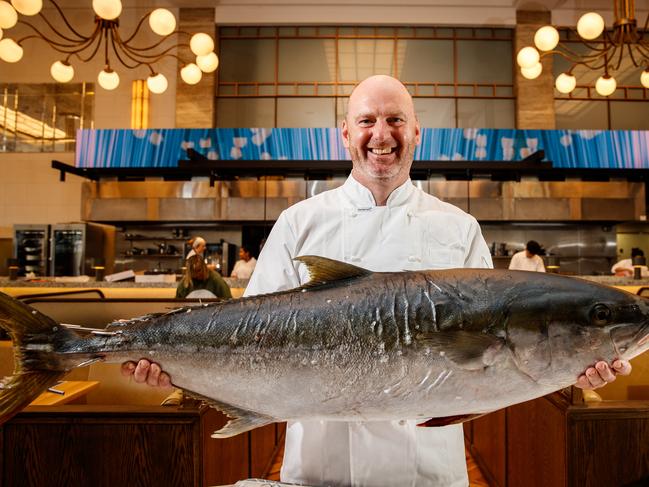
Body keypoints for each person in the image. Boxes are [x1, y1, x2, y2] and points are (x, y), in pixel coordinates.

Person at [122, 75, 631, 486]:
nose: (381, 134)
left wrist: (569, 370)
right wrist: (174, 368)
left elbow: (486, 374)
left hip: (426, 473)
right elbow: (247, 341)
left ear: (416, 131)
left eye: (395, 120)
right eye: (367, 120)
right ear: (346, 134)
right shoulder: (300, 223)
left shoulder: (459, 228)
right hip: (319, 469)